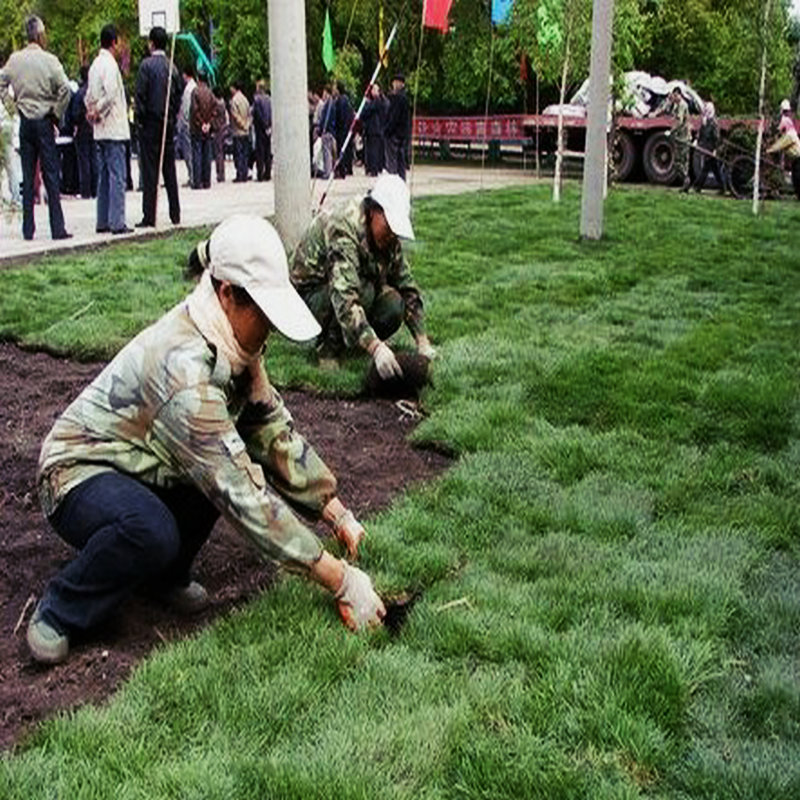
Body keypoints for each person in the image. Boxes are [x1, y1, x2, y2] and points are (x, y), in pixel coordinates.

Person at [27, 214, 385, 665]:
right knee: (149, 529)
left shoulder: (231, 342)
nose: (269, 330)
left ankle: (164, 577)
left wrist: (335, 511)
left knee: (194, 494)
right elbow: (240, 491)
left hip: (142, 463)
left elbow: (268, 426)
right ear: (227, 294)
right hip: (77, 474)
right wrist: (341, 580)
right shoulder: (184, 374)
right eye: (264, 315)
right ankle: (61, 609)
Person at [290, 172, 435, 373]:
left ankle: (356, 340)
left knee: (393, 305)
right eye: (389, 225)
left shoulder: (388, 238)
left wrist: (422, 341)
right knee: (364, 290)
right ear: (374, 211)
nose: (393, 234)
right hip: (308, 298)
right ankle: (329, 350)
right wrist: (376, 348)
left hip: (340, 291)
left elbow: (406, 285)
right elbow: (345, 296)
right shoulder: (344, 226)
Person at [0, 15, 72, 240]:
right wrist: (55, 113)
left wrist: (12, 105)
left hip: (25, 122)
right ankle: (57, 228)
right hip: (44, 120)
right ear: (40, 34)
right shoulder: (50, 60)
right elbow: (65, 90)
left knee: (28, 177)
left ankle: (28, 229)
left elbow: (1, 83)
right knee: (50, 175)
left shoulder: (14, 60)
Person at [134, 26, 183, 227]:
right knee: (169, 170)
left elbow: (140, 97)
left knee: (150, 172)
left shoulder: (146, 67)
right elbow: (177, 97)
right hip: (167, 124)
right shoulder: (172, 68)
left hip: (150, 125)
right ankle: (175, 212)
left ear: (151, 43)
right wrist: (170, 114)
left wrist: (140, 121)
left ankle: (149, 215)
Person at [85, 24, 131, 234]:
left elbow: (89, 95)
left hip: (99, 130)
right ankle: (117, 221)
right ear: (114, 42)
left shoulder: (95, 64)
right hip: (113, 127)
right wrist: (99, 111)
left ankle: (102, 220)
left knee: (103, 176)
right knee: (116, 175)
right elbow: (111, 95)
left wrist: (91, 110)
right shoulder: (110, 65)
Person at [66, 65, 96, 199]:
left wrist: (75, 125)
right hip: (94, 128)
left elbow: (75, 114)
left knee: (83, 161)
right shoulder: (94, 91)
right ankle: (95, 188)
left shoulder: (79, 94)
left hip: (82, 130)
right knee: (94, 159)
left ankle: (85, 190)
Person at [767, 99, 800, 200]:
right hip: (795, 160)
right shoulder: (789, 126)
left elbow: (780, 145)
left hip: (798, 159)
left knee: (798, 180)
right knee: (796, 180)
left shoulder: (789, 134)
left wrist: (769, 150)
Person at [189, 70, 215, 189]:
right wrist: (208, 123)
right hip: (208, 128)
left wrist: (201, 124)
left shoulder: (195, 92)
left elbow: (194, 110)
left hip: (197, 128)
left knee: (197, 154)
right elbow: (215, 109)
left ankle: (197, 181)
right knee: (207, 154)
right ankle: (207, 181)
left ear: (198, 79)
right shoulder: (210, 93)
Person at [692, 100, 725, 194]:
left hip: (711, 148)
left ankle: (697, 186)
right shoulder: (705, 120)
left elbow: (716, 137)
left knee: (706, 168)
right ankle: (723, 187)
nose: (706, 110)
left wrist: (715, 149)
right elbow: (701, 132)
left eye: (707, 109)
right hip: (706, 148)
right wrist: (696, 141)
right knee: (715, 169)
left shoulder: (713, 122)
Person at [384, 73, 410, 181]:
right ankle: (400, 183)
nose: (394, 84)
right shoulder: (400, 97)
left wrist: (387, 130)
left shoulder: (399, 98)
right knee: (400, 162)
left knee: (393, 163)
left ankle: (394, 184)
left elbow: (394, 117)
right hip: (401, 135)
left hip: (394, 134)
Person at [361, 82, 387, 176]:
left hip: (376, 129)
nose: (373, 91)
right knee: (370, 150)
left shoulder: (378, 101)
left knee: (374, 151)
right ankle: (370, 168)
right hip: (371, 129)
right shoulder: (374, 101)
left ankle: (374, 169)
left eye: (374, 89)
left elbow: (368, 110)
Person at [177, 66, 196, 187]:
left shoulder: (189, 90)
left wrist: (182, 124)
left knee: (189, 152)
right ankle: (194, 175)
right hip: (190, 124)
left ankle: (192, 176)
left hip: (186, 125)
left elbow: (186, 110)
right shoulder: (193, 87)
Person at [229, 81, 251, 182]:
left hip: (238, 131)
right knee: (245, 154)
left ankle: (240, 174)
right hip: (246, 131)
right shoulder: (245, 99)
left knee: (238, 154)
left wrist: (242, 125)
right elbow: (250, 114)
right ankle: (245, 173)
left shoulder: (234, 100)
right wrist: (247, 125)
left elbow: (235, 115)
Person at [252, 80, 272, 182]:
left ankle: (260, 174)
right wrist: (269, 126)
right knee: (268, 152)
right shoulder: (269, 99)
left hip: (260, 129)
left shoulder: (256, 100)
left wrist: (263, 126)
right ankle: (268, 173)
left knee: (260, 153)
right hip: (268, 129)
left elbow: (257, 114)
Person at [334, 80, 355, 178]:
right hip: (346, 128)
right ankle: (347, 168)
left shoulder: (340, 101)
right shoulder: (346, 99)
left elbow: (341, 116)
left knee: (342, 149)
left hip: (342, 129)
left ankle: (342, 170)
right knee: (347, 149)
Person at [211, 85, 228, 183]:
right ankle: (222, 174)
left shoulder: (217, 104)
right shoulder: (223, 102)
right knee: (221, 152)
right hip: (223, 128)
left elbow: (214, 116)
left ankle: (220, 174)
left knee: (218, 153)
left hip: (218, 129)